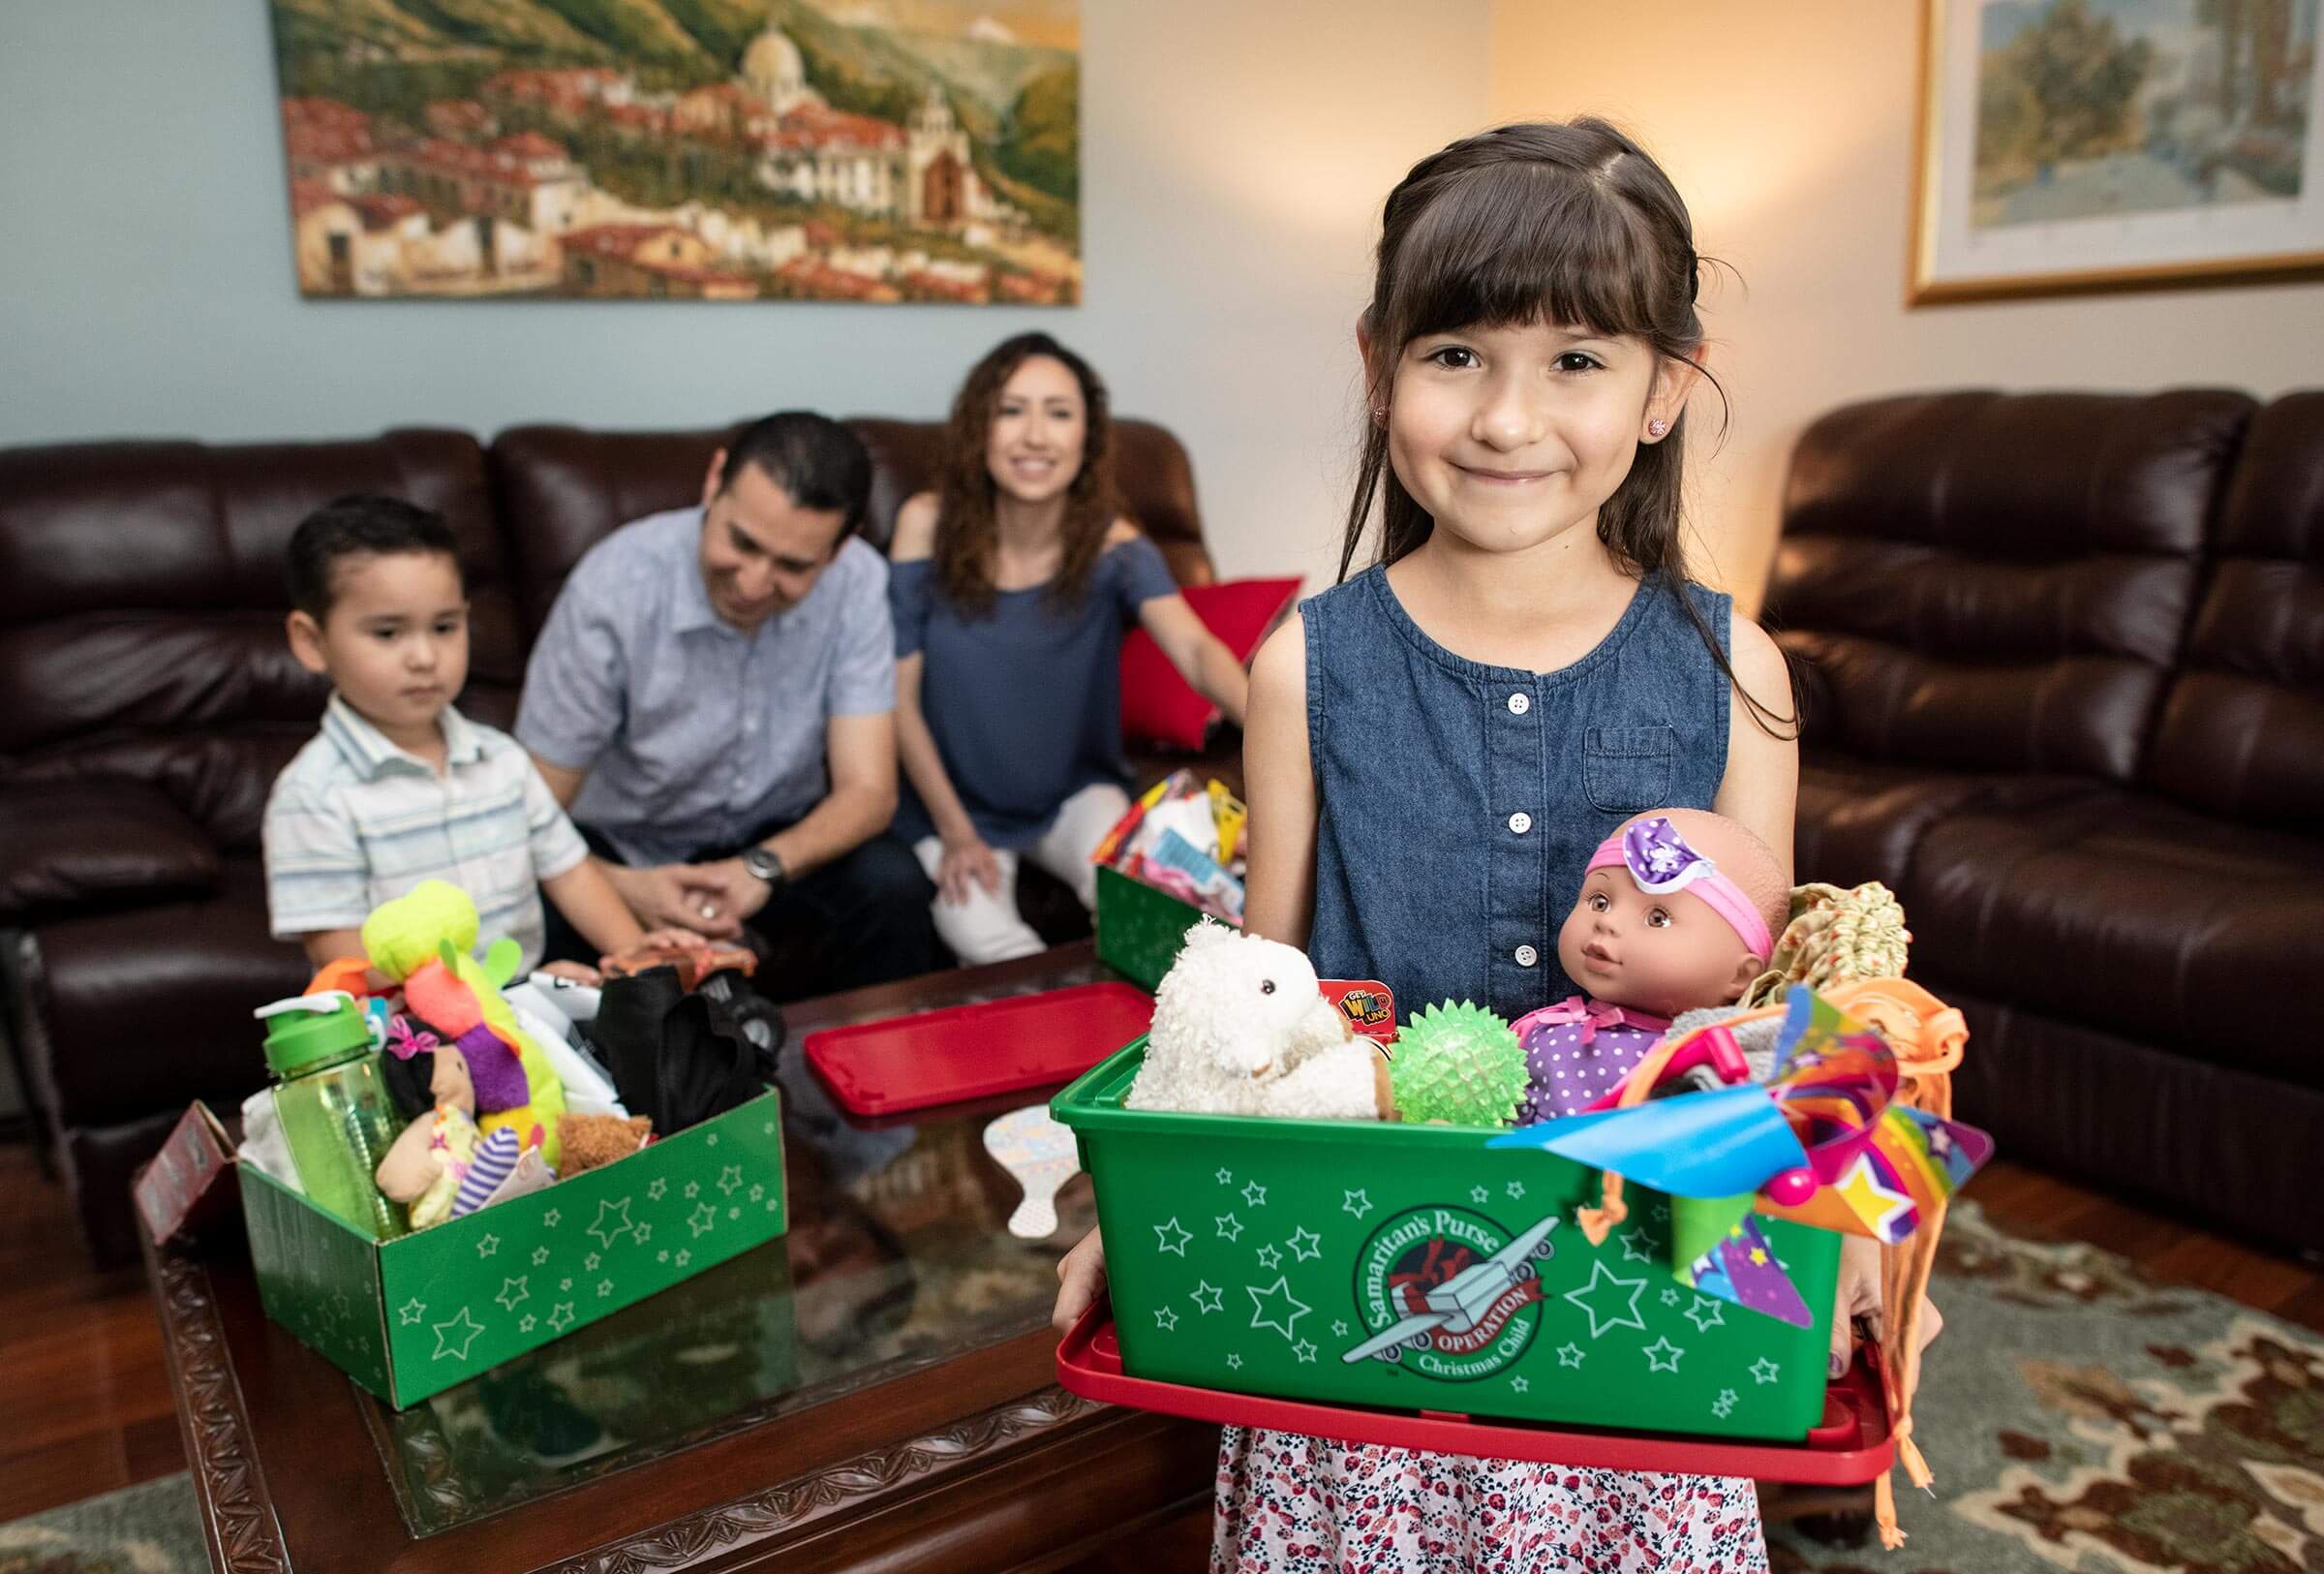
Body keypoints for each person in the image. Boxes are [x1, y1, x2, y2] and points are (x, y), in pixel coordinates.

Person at [1053, 119, 1937, 1570]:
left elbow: (1777, 1007)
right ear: (1376, 361)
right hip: (1363, 1288)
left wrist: (1859, 1218)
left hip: (1640, 1303)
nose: (1507, 419)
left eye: (1578, 360)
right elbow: (1250, 1005)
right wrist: (1141, 1205)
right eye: (1456, 351)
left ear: (1666, 389)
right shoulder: (1304, 664)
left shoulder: (1740, 671)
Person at [517, 412, 939, 998]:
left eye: (794, 566)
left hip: (773, 837)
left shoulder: (859, 583)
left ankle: (882, 1073)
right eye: (741, 542)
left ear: (841, 548)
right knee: (536, 908)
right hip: (622, 846)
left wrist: (763, 867)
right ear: (714, 482)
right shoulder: (614, 586)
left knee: (894, 883)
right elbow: (528, 809)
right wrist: (622, 886)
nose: (753, 583)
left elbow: (868, 792)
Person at [888, 333, 1248, 964]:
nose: (1035, 436)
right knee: (980, 934)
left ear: (1086, 438)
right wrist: (954, 829)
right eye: (1011, 410)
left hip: (1075, 794)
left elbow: (1193, 650)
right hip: (951, 802)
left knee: (1163, 918)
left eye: (1058, 413)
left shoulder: (1115, 543)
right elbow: (897, 696)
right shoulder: (926, 522)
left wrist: (1286, 727)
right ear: (979, 427)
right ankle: (1071, 1053)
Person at [263, 496, 672, 982]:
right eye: (389, 633)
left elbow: (571, 873)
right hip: (408, 1031)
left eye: (444, 627)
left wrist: (637, 960)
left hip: (523, 1005)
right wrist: (470, 1009)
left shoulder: (500, 758)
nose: (424, 657)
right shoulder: (313, 796)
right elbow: (342, 954)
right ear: (311, 641)